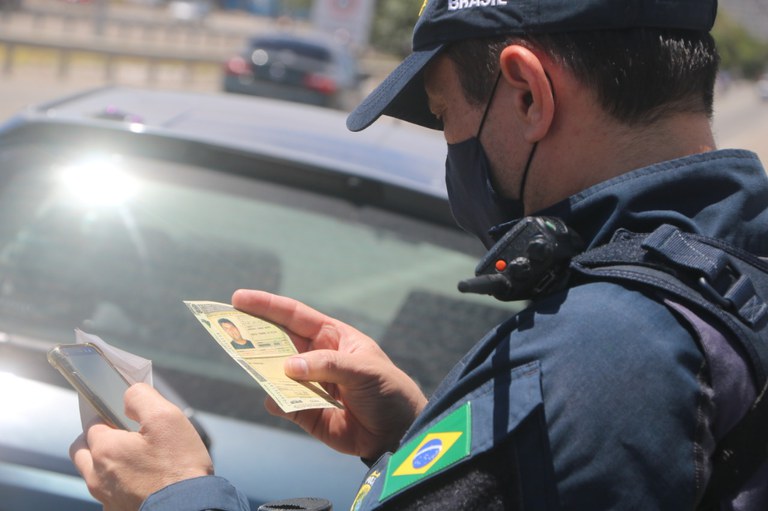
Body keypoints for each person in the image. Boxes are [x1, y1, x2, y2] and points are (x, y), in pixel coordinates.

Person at [69, 0, 768, 509]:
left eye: (446, 115)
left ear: (527, 94)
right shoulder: (725, 276)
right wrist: (422, 442)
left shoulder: (602, 351)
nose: (452, 147)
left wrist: (178, 494)